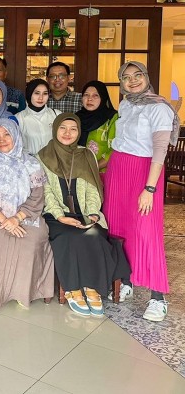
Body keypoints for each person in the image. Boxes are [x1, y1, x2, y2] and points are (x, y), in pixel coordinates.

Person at [103, 62, 179, 322]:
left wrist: (149, 188)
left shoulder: (159, 108)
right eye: (126, 77)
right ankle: (126, 280)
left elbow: (160, 151)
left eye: (137, 75)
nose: (132, 80)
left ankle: (157, 297)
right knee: (119, 229)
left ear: (146, 77)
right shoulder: (125, 104)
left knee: (146, 232)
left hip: (144, 173)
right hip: (118, 169)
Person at [38, 114, 130, 317]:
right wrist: (60, 216)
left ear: (79, 132)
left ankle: (91, 287)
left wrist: (92, 214)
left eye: (73, 129)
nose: (67, 133)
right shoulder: (43, 156)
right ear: (55, 129)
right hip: (55, 216)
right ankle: (72, 288)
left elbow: (93, 189)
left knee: (94, 235)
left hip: (85, 214)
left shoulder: (86, 155)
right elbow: (45, 191)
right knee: (69, 236)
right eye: (63, 128)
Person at [0, 119, 54, 309]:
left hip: (27, 216)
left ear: (16, 136)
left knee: (30, 240)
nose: (1, 140)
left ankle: (25, 292)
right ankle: (4, 291)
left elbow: (37, 196)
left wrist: (17, 218)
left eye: (6, 134)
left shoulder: (31, 163)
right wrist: (4, 219)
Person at [76, 80, 118, 172]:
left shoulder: (112, 118)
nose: (90, 99)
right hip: (77, 171)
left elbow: (114, 150)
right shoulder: (76, 118)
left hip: (103, 173)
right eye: (86, 95)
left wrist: (93, 168)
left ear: (103, 97)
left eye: (95, 95)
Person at [16, 79, 60, 156]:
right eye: (37, 93)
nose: (41, 98)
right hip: (29, 161)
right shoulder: (18, 119)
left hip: (53, 161)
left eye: (45, 93)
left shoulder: (56, 115)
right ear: (29, 94)